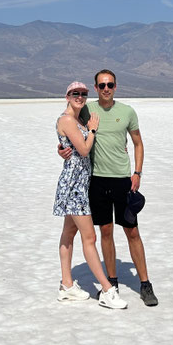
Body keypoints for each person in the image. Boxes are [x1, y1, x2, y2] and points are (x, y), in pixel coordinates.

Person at [59, 70, 158, 307]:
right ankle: (111, 281)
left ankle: (145, 284)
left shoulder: (127, 112)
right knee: (105, 231)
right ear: (95, 87)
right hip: (96, 180)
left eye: (110, 84)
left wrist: (138, 172)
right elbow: (70, 133)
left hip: (123, 179)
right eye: (102, 85)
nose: (106, 89)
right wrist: (60, 148)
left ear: (115, 86)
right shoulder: (86, 110)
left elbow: (137, 142)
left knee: (132, 231)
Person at [53, 81, 127, 310]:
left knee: (69, 232)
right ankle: (106, 290)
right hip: (74, 184)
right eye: (75, 93)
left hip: (79, 182)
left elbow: (77, 148)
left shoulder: (77, 119)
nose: (80, 97)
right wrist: (92, 130)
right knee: (90, 238)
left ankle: (67, 286)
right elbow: (84, 150)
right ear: (67, 95)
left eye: (83, 93)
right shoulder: (67, 119)